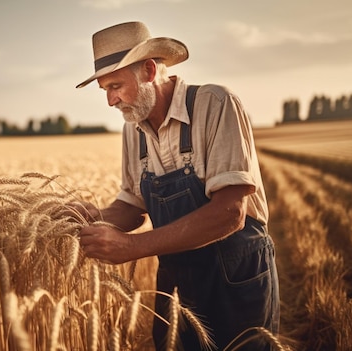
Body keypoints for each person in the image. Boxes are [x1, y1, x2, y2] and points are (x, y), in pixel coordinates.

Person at [74, 21, 280, 350]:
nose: (111, 101)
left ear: (149, 69)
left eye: (115, 86)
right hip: (177, 281)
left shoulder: (216, 104)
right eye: (105, 90)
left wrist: (131, 248)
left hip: (235, 275)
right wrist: (93, 217)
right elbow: (133, 206)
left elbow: (230, 213)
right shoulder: (133, 127)